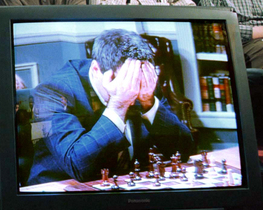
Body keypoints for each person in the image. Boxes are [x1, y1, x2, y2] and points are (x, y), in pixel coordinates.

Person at [27, 29, 194, 184]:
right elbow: (78, 167)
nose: (132, 90)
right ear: (96, 69)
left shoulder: (143, 79)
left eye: (136, 82)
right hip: (60, 191)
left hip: (123, 187)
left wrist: (148, 103)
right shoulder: (50, 93)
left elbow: (184, 151)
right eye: (125, 82)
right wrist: (118, 105)